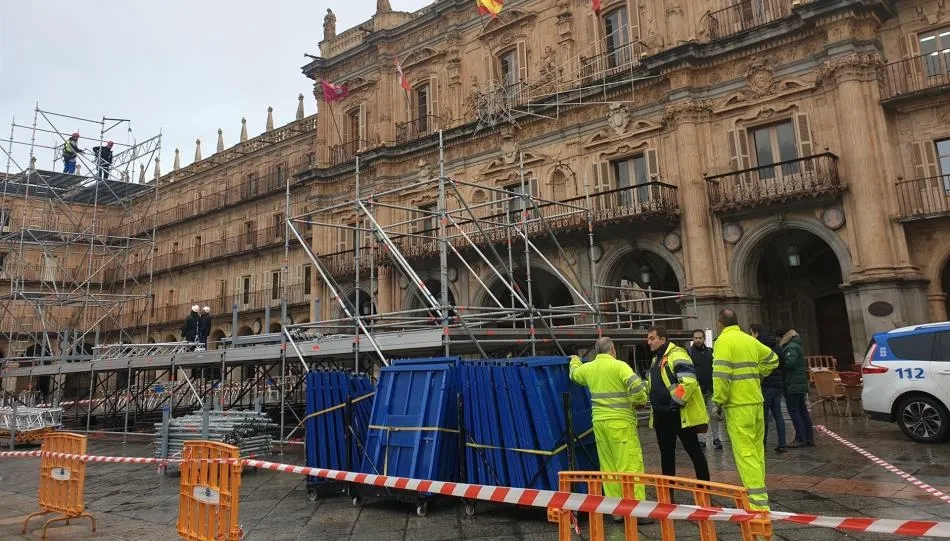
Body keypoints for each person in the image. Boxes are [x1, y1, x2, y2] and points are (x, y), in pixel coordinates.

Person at [569, 337, 654, 525]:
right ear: (613, 350)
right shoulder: (619, 366)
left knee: (608, 468)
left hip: (599, 423)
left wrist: (574, 359)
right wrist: (638, 400)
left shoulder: (589, 368)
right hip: (621, 423)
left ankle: (616, 511)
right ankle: (637, 510)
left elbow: (574, 374)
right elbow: (638, 387)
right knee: (629, 466)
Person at [711, 309, 779, 512]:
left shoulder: (723, 342)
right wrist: (758, 374)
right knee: (757, 452)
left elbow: (721, 374)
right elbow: (773, 359)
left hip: (738, 406)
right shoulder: (749, 340)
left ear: (720, 323)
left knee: (745, 453)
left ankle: (757, 504)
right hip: (756, 403)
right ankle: (759, 493)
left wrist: (718, 402)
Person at [645, 326, 710, 481]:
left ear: (663, 339)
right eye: (648, 339)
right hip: (662, 416)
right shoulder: (656, 360)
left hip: (678, 414)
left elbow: (689, 382)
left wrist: (674, 404)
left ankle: (704, 490)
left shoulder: (677, 354)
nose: (648, 342)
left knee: (694, 452)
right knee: (666, 456)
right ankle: (668, 494)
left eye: (652, 338)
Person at [749, 324, 787, 454]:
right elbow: (782, 362)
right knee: (778, 415)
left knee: (763, 417)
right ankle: (782, 444)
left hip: (766, 385)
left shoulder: (759, 345)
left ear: (755, 333)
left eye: (751, 333)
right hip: (778, 384)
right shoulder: (775, 344)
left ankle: (762, 445)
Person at [687, 329, 722, 450]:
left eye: (700, 338)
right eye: (696, 338)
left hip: (710, 389)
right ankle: (701, 439)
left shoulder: (710, 352)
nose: (698, 340)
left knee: (713, 414)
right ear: (693, 339)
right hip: (697, 391)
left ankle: (716, 438)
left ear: (704, 339)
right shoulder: (689, 353)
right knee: (700, 416)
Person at [779, 329, 814, 447]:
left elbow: (790, 363)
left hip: (793, 383)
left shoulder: (791, 347)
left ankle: (800, 437)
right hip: (799, 383)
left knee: (794, 410)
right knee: (802, 410)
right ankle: (809, 437)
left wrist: (780, 364)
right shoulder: (796, 345)